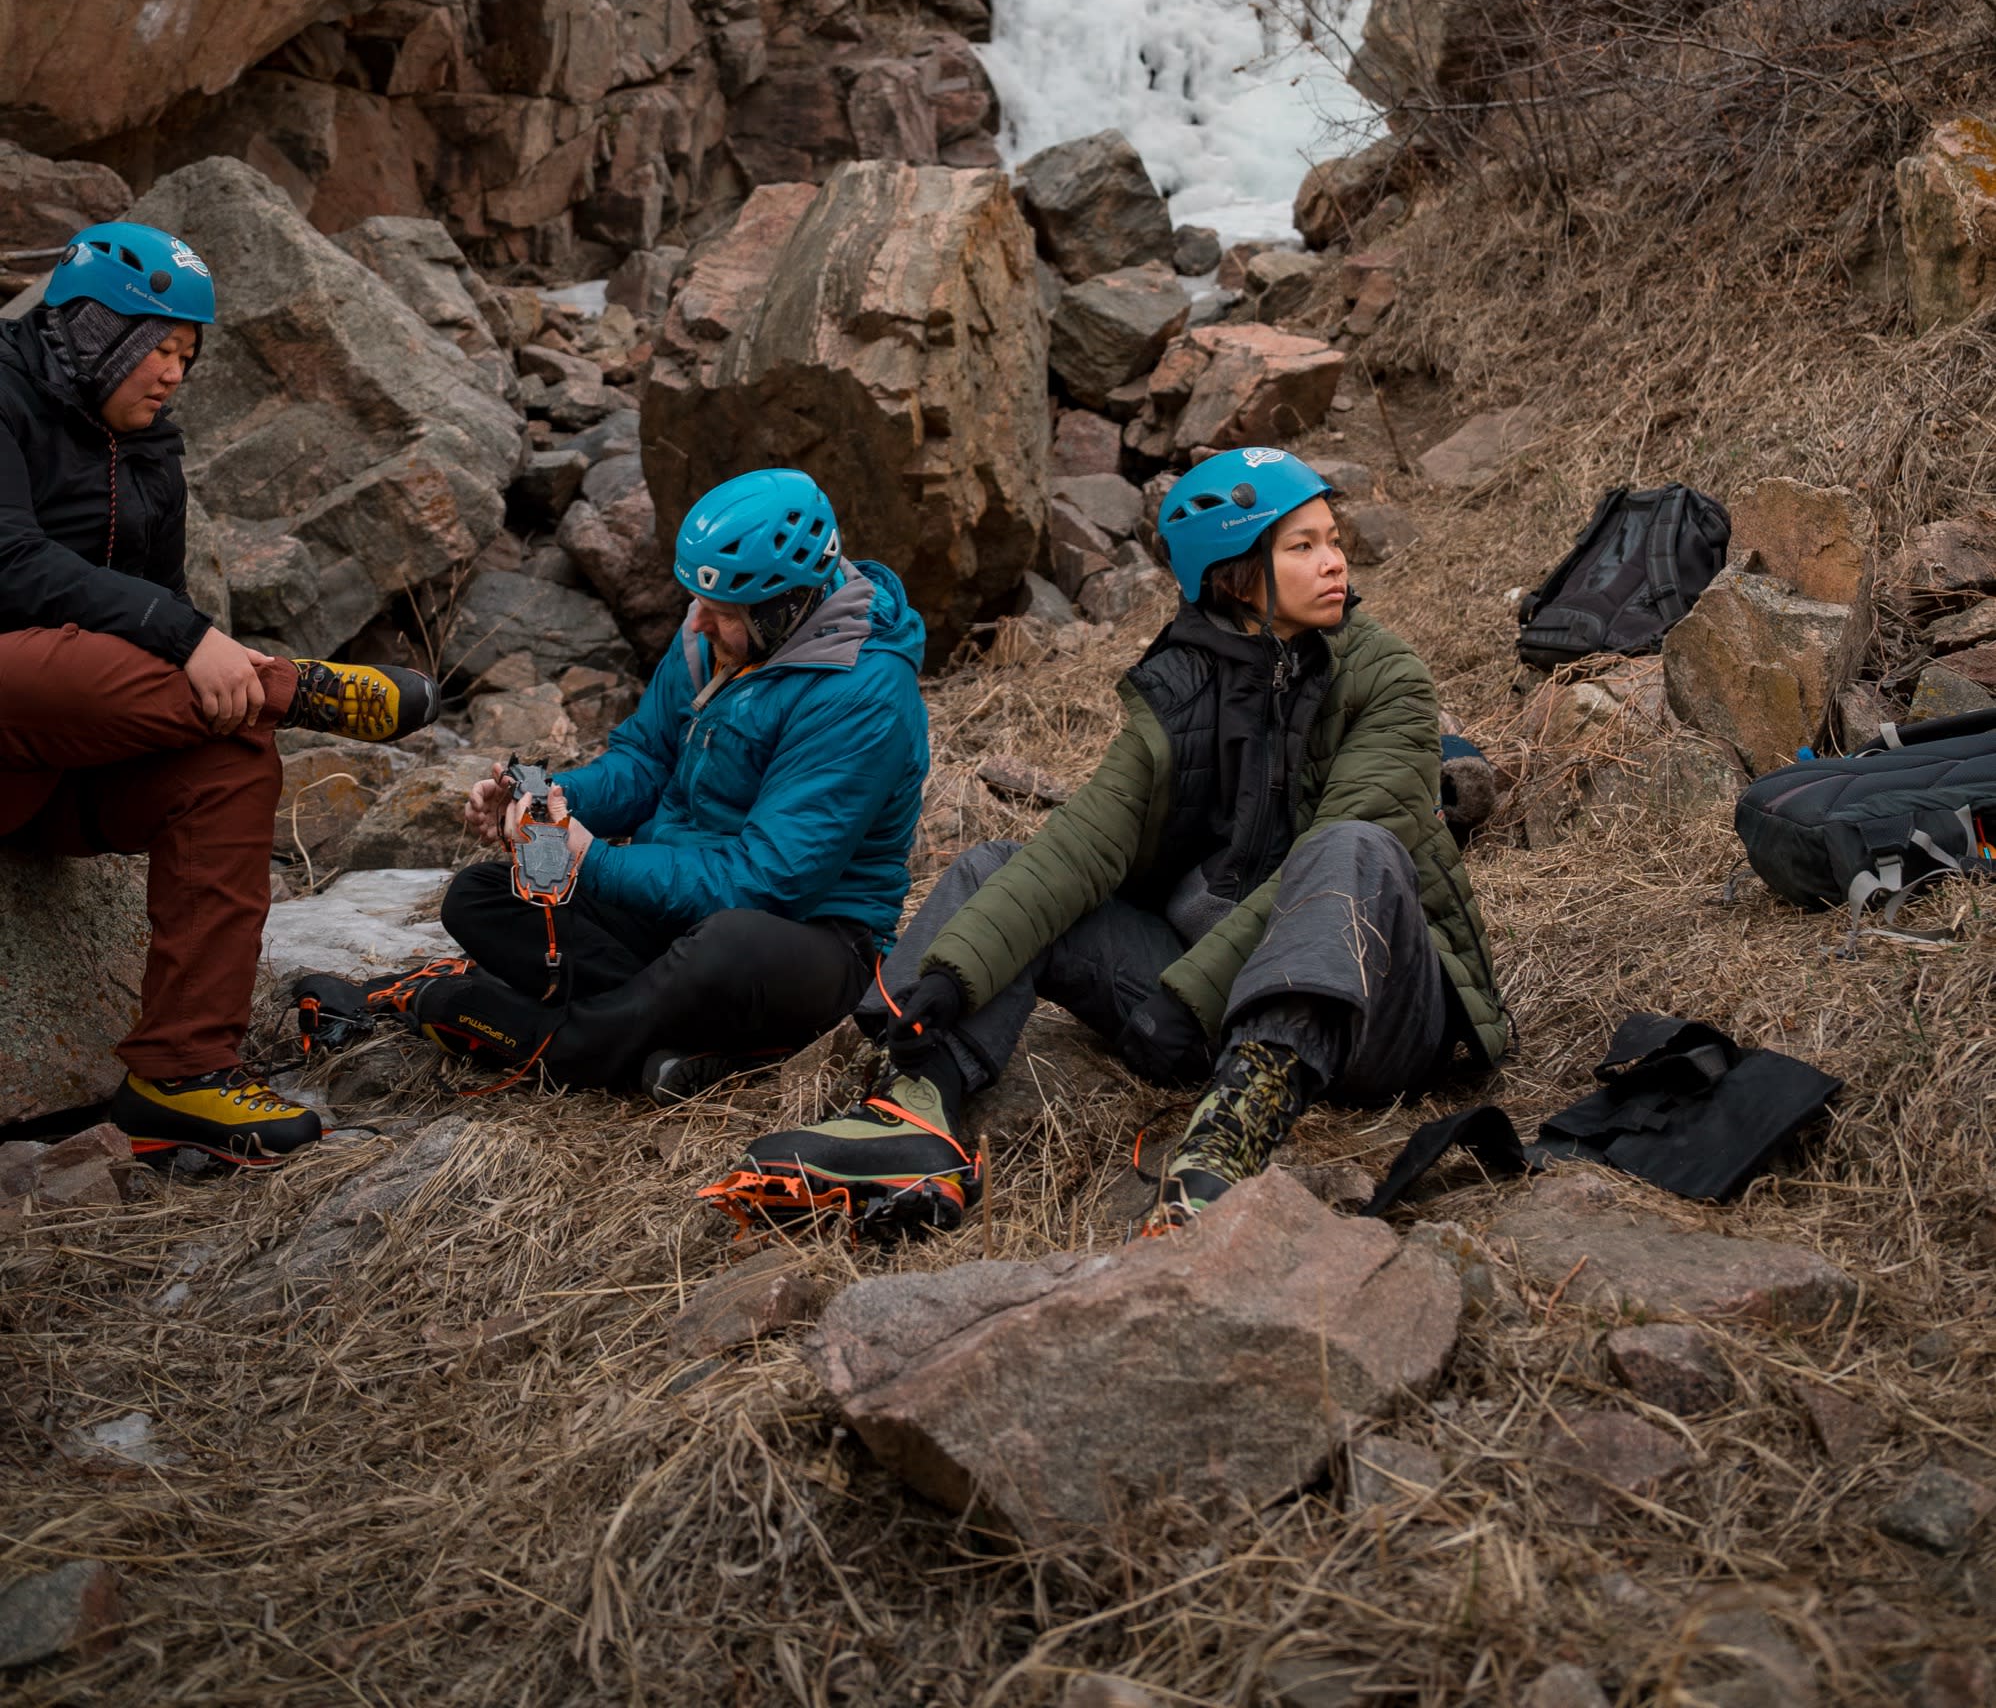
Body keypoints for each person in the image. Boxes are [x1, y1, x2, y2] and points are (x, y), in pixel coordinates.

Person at [713, 449, 1505, 1237]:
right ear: (1232, 571)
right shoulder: (1182, 684)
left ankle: (1227, 1145)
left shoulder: (1389, 676)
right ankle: (913, 1116)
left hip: (1378, 1008)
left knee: (1350, 848)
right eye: (1303, 546)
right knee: (1001, 866)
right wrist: (952, 978)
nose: (1336, 562)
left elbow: (1354, 846)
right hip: (1212, 1008)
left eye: (1331, 539)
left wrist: (1189, 994)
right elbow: (1081, 847)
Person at [0, 220, 439, 1167]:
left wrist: (198, 650)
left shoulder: (148, 450)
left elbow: (162, 631)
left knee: (232, 751)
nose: (172, 375)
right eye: (156, 348)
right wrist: (196, 641)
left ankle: (181, 1075)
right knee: (124, 662)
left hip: (44, 768)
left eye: (185, 357)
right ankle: (296, 688)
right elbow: (10, 561)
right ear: (94, 330)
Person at [359, 468, 929, 1097]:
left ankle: (564, 1045)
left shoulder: (861, 693)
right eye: (701, 605)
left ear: (785, 607)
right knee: (480, 895)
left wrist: (590, 861)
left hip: (807, 940)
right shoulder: (718, 638)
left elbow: (767, 884)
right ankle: (675, 1040)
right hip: (680, 910)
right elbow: (645, 760)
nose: (699, 624)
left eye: (721, 613)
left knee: (725, 947)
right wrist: (549, 800)